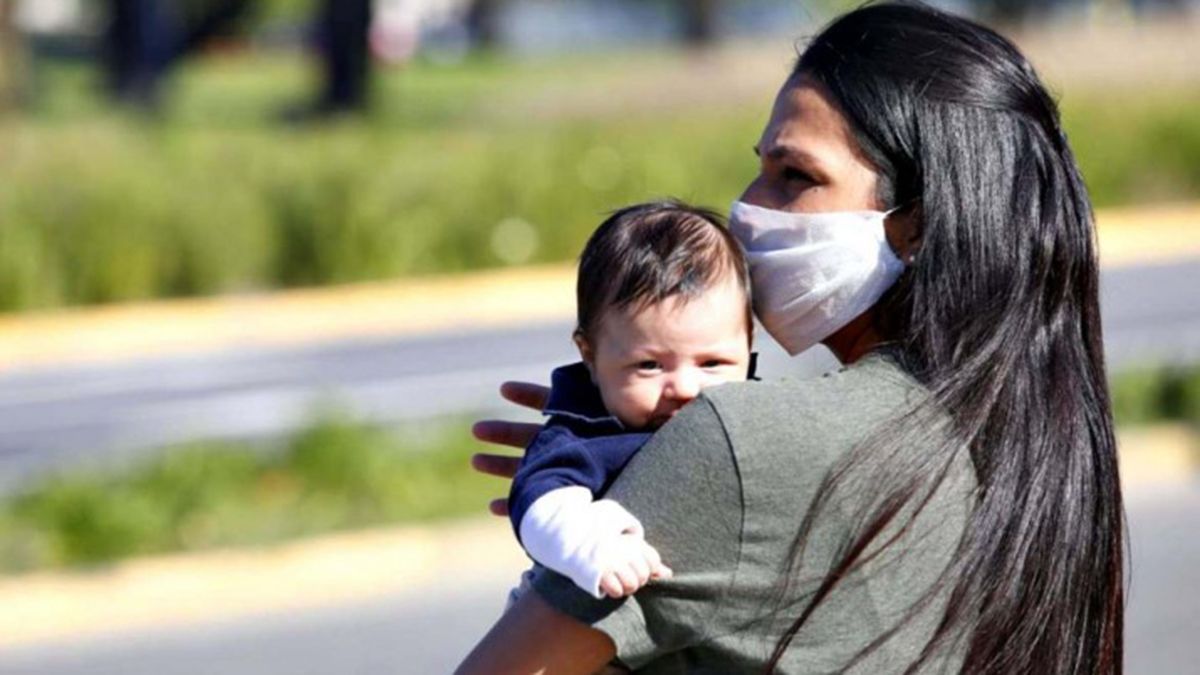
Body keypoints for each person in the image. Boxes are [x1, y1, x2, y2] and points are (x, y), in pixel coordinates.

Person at [459, 2, 1125, 673]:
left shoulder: (742, 442)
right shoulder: (1024, 441)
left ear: (915, 225)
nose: (746, 209)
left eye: (794, 176)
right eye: (761, 169)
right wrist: (647, 469)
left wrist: (681, 472)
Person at [505, 201, 754, 606]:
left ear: (749, 344)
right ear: (590, 355)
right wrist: (595, 549)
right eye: (649, 365)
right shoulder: (583, 435)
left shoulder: (758, 412)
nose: (686, 388)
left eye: (713, 363)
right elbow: (540, 508)